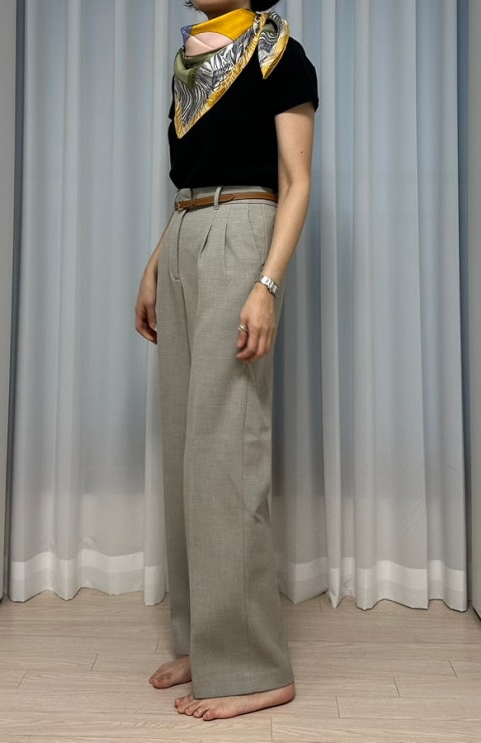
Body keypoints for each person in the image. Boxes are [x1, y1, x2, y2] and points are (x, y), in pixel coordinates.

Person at [134, 0, 318, 721]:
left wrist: (266, 286)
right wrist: (157, 262)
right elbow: (192, 176)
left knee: (227, 450)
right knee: (187, 448)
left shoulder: (279, 54)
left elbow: (296, 182)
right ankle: (205, 642)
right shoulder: (190, 63)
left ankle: (254, 668)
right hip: (185, 230)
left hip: (244, 233)